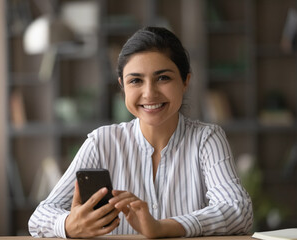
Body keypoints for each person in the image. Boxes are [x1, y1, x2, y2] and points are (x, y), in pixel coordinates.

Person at [28, 26, 253, 238]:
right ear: (122, 86)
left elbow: (239, 211)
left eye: (163, 78)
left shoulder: (207, 138)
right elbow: (39, 217)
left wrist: (162, 228)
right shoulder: (102, 142)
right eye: (135, 80)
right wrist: (69, 224)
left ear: (186, 82)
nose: (149, 93)